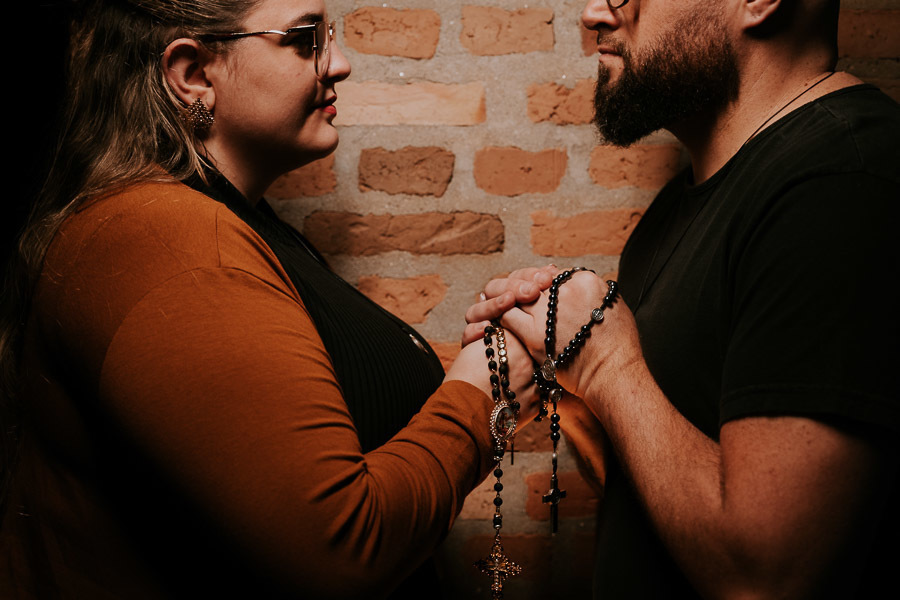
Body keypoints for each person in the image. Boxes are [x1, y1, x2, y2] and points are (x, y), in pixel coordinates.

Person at [0, 1, 536, 598]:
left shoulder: (242, 224)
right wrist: (486, 389)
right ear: (194, 73)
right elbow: (342, 548)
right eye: (306, 39)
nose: (340, 64)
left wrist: (481, 360)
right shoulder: (170, 243)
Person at [466, 0, 900, 597]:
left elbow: (764, 579)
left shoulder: (842, 184)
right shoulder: (679, 206)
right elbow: (655, 484)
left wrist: (608, 363)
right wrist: (560, 368)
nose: (594, 13)